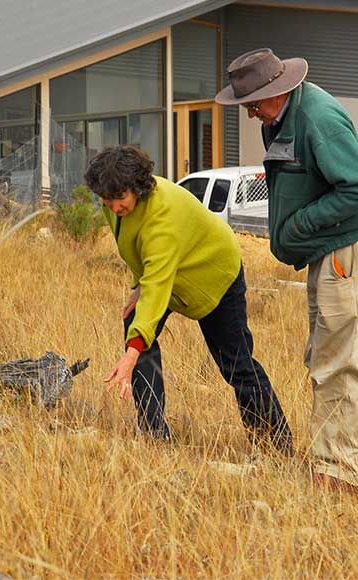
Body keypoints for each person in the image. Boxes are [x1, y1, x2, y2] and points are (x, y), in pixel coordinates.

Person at [215, 48, 358, 489]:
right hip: (328, 252)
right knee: (330, 356)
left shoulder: (318, 120)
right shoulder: (281, 119)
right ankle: (351, 467)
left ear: (277, 91)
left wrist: (302, 224)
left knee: (338, 362)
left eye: (252, 105)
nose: (251, 115)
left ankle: (339, 472)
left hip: (343, 252)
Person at [84, 145, 292, 453]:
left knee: (236, 365)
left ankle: (276, 446)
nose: (113, 206)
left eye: (120, 198)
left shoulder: (161, 217)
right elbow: (142, 255)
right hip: (172, 269)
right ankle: (154, 433)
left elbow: (157, 280)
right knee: (135, 322)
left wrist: (129, 357)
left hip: (213, 275)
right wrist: (137, 286)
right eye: (107, 199)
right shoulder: (114, 201)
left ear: (138, 188)